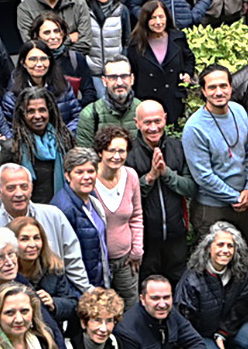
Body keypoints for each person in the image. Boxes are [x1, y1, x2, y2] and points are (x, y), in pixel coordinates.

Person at [0, 163, 88, 290]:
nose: (19, 193)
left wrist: (85, 292)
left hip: (56, 295)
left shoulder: (54, 215)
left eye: (24, 187)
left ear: (31, 188)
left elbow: (74, 261)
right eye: (11, 188)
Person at [177, 222, 248, 349]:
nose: (225, 250)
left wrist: (222, 333)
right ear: (208, 247)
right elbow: (183, 316)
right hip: (201, 334)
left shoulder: (241, 272)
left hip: (229, 328)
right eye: (220, 244)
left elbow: (243, 305)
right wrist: (182, 346)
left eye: (230, 246)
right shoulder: (192, 279)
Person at [183, 64, 248, 242]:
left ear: (231, 87)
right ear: (203, 91)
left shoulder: (239, 111)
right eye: (212, 87)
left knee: (242, 259)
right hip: (212, 208)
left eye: (223, 86)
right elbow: (203, 175)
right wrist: (235, 197)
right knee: (214, 264)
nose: (219, 92)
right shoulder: (195, 127)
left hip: (243, 203)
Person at [126, 99, 193, 282]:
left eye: (157, 121)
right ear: (137, 123)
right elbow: (126, 196)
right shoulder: (129, 153)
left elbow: (190, 187)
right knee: (149, 285)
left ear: (165, 119)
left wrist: (166, 174)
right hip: (146, 238)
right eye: (147, 123)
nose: (153, 128)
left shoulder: (177, 148)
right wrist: (150, 177)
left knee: (178, 283)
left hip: (176, 235)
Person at [91, 125, 145, 303]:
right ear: (100, 152)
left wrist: (137, 250)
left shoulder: (131, 176)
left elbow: (136, 215)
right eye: (111, 150)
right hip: (97, 261)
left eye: (121, 151)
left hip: (126, 260)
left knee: (130, 305)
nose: (116, 156)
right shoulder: (89, 180)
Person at [123, 0, 196, 125]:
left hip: (174, 99)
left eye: (161, 17)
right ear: (146, 20)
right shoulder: (135, 44)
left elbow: (189, 58)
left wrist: (187, 73)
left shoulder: (178, 38)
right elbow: (132, 72)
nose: (158, 22)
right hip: (148, 101)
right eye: (153, 18)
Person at [51, 148, 112, 296]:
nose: (86, 177)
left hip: (98, 282)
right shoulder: (63, 208)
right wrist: (87, 289)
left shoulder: (92, 198)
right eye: (79, 172)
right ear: (67, 175)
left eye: (91, 171)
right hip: (80, 290)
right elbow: (64, 258)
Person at [7, 86, 75, 204]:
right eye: (31, 111)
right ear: (23, 114)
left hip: (62, 209)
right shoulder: (13, 147)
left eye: (42, 110)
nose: (37, 116)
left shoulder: (65, 141)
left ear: (50, 111)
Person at [12, 215, 81, 329]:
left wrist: (53, 303)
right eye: (24, 239)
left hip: (49, 330)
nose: (32, 244)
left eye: (36, 238)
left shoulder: (53, 267)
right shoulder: (6, 272)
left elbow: (72, 304)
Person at [2, 40, 79, 131]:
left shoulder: (63, 85)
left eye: (43, 59)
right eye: (33, 59)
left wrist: (62, 138)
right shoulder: (12, 94)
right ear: (23, 62)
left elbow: (76, 117)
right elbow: (12, 128)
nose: (39, 64)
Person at [32, 16, 96, 112]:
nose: (53, 37)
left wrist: (73, 107)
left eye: (57, 31)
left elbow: (89, 93)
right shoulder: (30, 61)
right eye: (47, 32)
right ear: (37, 36)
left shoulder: (75, 58)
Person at [75, 57, 140, 149]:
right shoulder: (90, 114)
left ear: (132, 79)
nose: (119, 82)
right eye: (113, 77)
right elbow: (85, 155)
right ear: (104, 81)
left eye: (124, 76)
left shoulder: (143, 110)